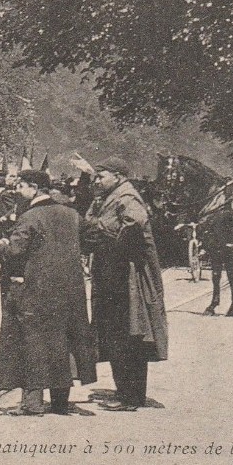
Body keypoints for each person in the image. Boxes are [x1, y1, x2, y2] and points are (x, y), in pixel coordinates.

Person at [0, 169, 96, 415]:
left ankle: (32, 403)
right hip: (70, 289)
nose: (18, 192)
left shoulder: (31, 216)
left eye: (21, 187)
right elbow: (92, 238)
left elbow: (16, 250)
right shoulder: (71, 214)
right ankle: (60, 403)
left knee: (32, 341)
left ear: (33, 188)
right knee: (63, 340)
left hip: (36, 289)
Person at [82, 156, 169, 411]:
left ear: (118, 176)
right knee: (118, 333)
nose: (97, 180)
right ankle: (128, 393)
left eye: (101, 176)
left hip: (125, 276)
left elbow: (133, 224)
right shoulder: (110, 196)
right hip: (114, 273)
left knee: (128, 333)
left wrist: (107, 241)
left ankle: (130, 397)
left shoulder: (127, 197)